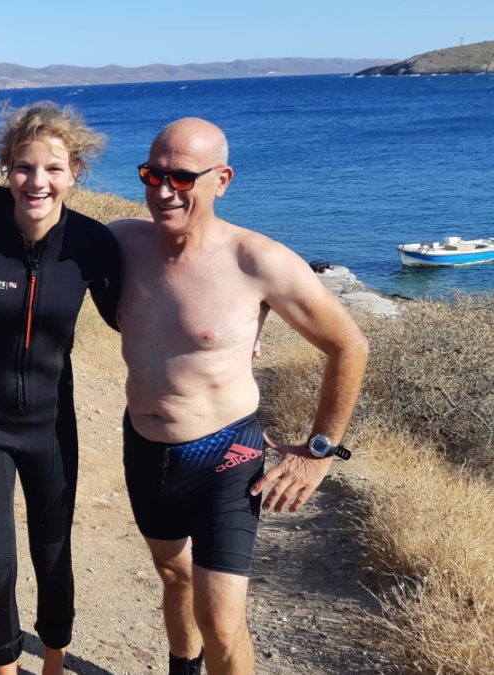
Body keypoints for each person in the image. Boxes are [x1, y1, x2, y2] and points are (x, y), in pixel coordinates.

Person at [108, 117, 369, 675]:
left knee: (222, 624)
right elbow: (40, 220)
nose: (163, 191)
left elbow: (349, 345)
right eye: (153, 174)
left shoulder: (257, 260)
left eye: (182, 178)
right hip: (146, 446)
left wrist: (319, 453)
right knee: (173, 575)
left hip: (225, 454)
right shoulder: (121, 242)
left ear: (221, 180)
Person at [0, 102, 121, 674]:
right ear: (6, 169)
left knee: (53, 555)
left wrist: (236, 330)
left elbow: (134, 319)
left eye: (53, 168)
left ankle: (54, 662)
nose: (37, 181)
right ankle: (4, 665)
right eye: (23, 167)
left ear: (75, 173)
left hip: (51, 427)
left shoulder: (91, 243)